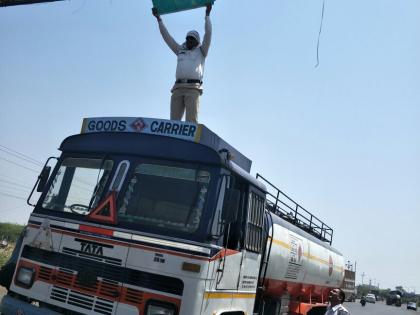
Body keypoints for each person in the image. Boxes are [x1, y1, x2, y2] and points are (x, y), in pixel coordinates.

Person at [152, 4, 212, 123]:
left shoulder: (202, 51)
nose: (188, 40)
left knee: (191, 122)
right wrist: (159, 19)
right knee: (174, 123)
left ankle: (190, 142)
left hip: (193, 88)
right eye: (187, 38)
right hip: (178, 88)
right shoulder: (180, 50)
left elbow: (208, 33)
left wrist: (207, 15)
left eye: (191, 38)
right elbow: (167, 37)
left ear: (197, 41)